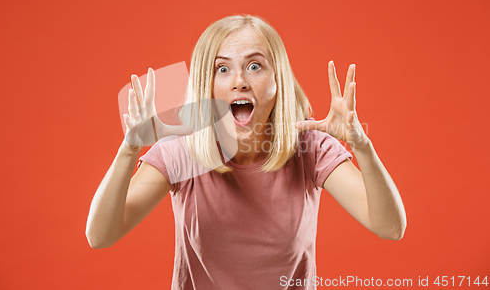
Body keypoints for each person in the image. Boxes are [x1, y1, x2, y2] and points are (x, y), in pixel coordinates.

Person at [86, 15, 406, 290]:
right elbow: (101, 236)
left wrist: (363, 148)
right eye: (222, 70)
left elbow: (390, 227)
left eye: (254, 66)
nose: (239, 81)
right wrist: (128, 150)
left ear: (277, 79)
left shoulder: (309, 146)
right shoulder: (182, 150)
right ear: (205, 84)